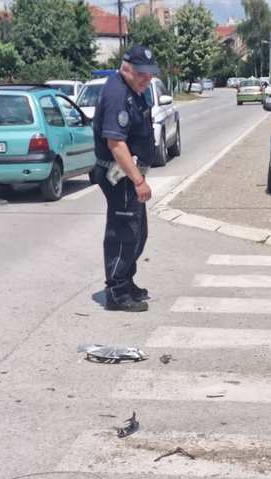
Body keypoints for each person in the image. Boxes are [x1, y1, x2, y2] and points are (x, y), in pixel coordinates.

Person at [93, 44, 158, 312]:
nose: (148, 78)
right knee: (123, 233)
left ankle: (126, 280)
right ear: (126, 68)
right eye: (142, 73)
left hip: (128, 175)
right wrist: (138, 181)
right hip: (118, 175)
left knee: (137, 232)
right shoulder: (117, 94)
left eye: (150, 73)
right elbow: (116, 144)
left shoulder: (132, 89)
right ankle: (117, 293)